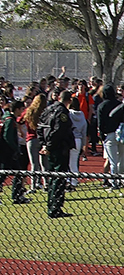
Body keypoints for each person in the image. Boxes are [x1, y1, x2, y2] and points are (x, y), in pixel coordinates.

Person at [37, 89, 74, 217]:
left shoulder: (48, 110)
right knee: (59, 177)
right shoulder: (62, 112)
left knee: (52, 177)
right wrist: (49, 145)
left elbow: (40, 127)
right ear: (69, 100)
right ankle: (55, 208)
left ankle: (51, 205)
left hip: (51, 147)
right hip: (59, 148)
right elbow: (59, 131)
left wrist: (43, 143)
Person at [0, 99, 30, 204]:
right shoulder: (9, 120)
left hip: (7, 152)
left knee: (17, 172)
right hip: (7, 152)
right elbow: (7, 137)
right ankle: (17, 195)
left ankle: (17, 195)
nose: (22, 112)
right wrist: (15, 149)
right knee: (4, 174)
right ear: (17, 109)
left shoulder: (6, 118)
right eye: (21, 109)